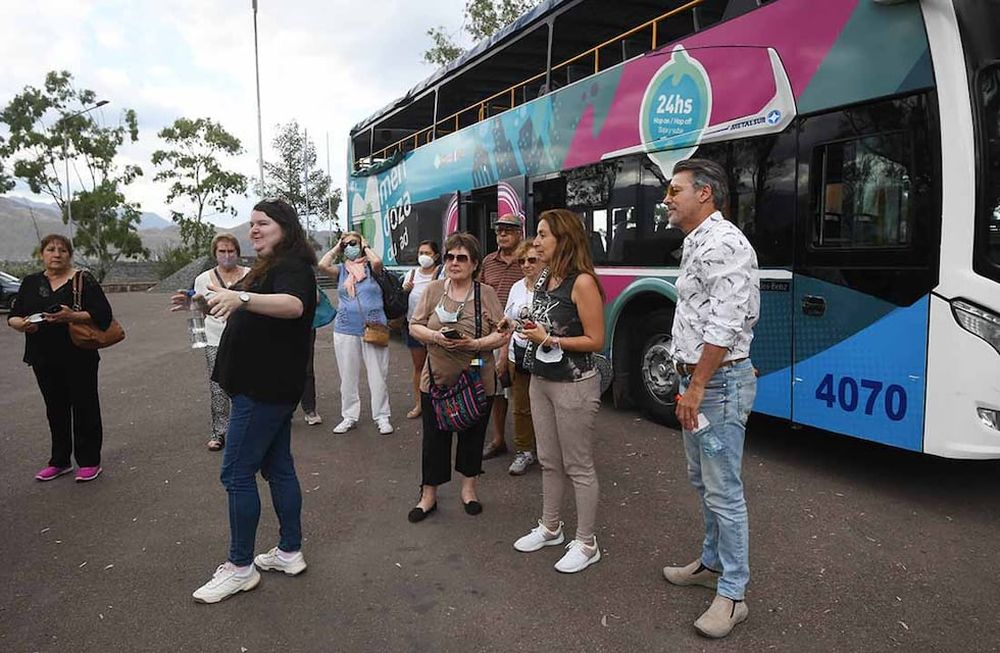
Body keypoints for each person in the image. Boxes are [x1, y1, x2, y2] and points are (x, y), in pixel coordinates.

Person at [186, 198, 317, 604]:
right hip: (267, 388)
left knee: (236, 474)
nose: (254, 230)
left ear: (285, 227)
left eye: (263, 223)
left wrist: (242, 300)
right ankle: (289, 551)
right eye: (252, 224)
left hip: (263, 390)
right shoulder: (269, 267)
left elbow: (293, 305)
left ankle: (240, 568)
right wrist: (202, 301)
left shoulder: (292, 266)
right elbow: (245, 304)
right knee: (278, 469)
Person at [659, 158, 760, 639]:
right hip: (699, 384)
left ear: (704, 194)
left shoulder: (722, 243)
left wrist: (696, 387)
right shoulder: (698, 242)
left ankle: (734, 594)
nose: (667, 198)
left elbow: (726, 323)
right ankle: (711, 563)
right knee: (704, 481)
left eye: (674, 190)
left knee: (724, 491)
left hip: (715, 387)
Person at [511, 209, 605, 574]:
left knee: (578, 465)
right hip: (540, 380)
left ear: (563, 239)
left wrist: (548, 338)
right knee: (549, 460)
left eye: (542, 234)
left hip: (575, 383)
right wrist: (527, 327)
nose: (536, 241)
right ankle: (551, 527)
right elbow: (546, 322)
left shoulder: (582, 282)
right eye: (536, 234)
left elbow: (596, 339)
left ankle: (586, 542)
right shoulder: (545, 277)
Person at [407, 232, 509, 522]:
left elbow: (502, 333)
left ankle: (469, 490)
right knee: (434, 440)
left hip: (476, 378)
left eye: (461, 258)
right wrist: (437, 336)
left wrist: (475, 344)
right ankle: (428, 496)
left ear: (475, 264)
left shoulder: (485, 293)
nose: (454, 262)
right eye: (450, 256)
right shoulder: (434, 289)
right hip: (436, 380)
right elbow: (415, 326)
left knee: (473, 437)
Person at [7, 234, 113, 483]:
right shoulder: (31, 282)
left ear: (69, 255)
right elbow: (14, 315)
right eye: (51, 249)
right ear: (41, 254)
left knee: (84, 407)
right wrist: (20, 325)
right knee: (55, 408)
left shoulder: (83, 280)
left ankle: (89, 461)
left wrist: (72, 317)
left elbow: (104, 315)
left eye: (62, 250)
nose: (56, 254)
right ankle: (60, 461)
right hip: (42, 356)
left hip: (79, 354)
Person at [318, 231, 394, 435]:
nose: (350, 246)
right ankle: (349, 416)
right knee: (348, 375)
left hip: (374, 326)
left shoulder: (372, 268)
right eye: (347, 244)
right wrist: (337, 248)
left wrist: (366, 246)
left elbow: (378, 261)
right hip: (345, 328)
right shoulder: (342, 270)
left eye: (354, 243)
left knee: (378, 374)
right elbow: (322, 265)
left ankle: (382, 416)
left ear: (361, 244)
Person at [191, 234, 250, 451]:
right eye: (222, 252)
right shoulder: (203, 279)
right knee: (218, 387)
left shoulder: (251, 276)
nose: (226, 256)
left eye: (230, 251)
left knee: (245, 385)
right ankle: (219, 432)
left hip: (245, 339)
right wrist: (198, 340)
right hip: (215, 338)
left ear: (238, 252)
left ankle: (244, 429)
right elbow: (197, 311)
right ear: (215, 254)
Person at [479, 213, 525, 460]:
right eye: (499, 231)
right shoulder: (488, 262)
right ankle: (498, 440)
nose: (503, 234)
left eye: (508, 230)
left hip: (521, 334)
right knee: (496, 389)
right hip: (493, 334)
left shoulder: (528, 260)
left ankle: (524, 445)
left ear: (520, 233)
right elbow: (480, 293)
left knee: (520, 392)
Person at [500, 240, 541, 476]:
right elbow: (508, 320)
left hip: (546, 356)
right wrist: (503, 353)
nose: (526, 265)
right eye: (522, 261)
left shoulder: (552, 286)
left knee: (548, 407)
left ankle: (549, 452)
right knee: (521, 407)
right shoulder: (516, 287)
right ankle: (524, 451)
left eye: (532, 260)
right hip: (519, 353)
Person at [401, 240, 441, 419]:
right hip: (415, 327)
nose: (423, 256)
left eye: (427, 253)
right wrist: (406, 290)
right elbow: (403, 298)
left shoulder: (441, 274)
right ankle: (419, 404)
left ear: (436, 256)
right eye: (420, 252)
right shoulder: (411, 274)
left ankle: (439, 404)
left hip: (437, 329)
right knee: (419, 367)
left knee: (439, 367)